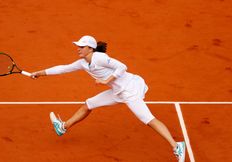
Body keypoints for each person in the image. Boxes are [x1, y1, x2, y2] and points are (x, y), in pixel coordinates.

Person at [31, 35, 186, 161]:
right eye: (78, 46)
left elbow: (122, 67)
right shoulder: (82, 63)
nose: (78, 49)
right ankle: (63, 127)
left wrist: (106, 81)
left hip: (130, 89)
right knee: (88, 104)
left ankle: (176, 145)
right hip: (118, 92)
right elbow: (62, 68)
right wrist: (39, 72)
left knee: (148, 119)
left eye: (81, 47)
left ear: (90, 48)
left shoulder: (99, 58)